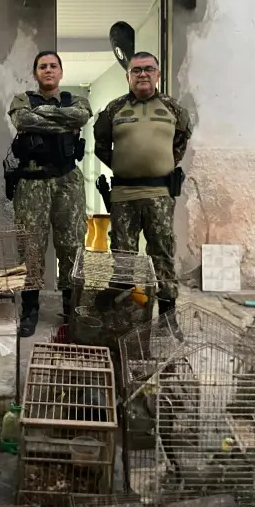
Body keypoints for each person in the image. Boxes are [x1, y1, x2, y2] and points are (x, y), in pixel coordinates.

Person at [93, 51, 192, 330]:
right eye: (136, 70)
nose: (143, 74)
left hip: (160, 194)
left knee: (161, 251)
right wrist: (125, 166)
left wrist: (161, 164)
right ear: (128, 76)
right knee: (123, 256)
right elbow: (101, 144)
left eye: (149, 69)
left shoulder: (173, 109)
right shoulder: (114, 109)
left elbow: (182, 140)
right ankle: (124, 316)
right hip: (124, 195)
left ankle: (168, 318)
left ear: (158, 74)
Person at [8, 51, 92, 337]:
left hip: (67, 181)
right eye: (42, 66)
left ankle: (71, 309)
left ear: (61, 72)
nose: (48, 70)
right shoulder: (22, 100)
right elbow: (23, 121)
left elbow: (81, 117)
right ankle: (30, 309)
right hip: (32, 181)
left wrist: (44, 115)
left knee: (71, 245)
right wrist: (62, 122)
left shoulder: (76, 101)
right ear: (35, 73)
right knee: (30, 246)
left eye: (53, 66)